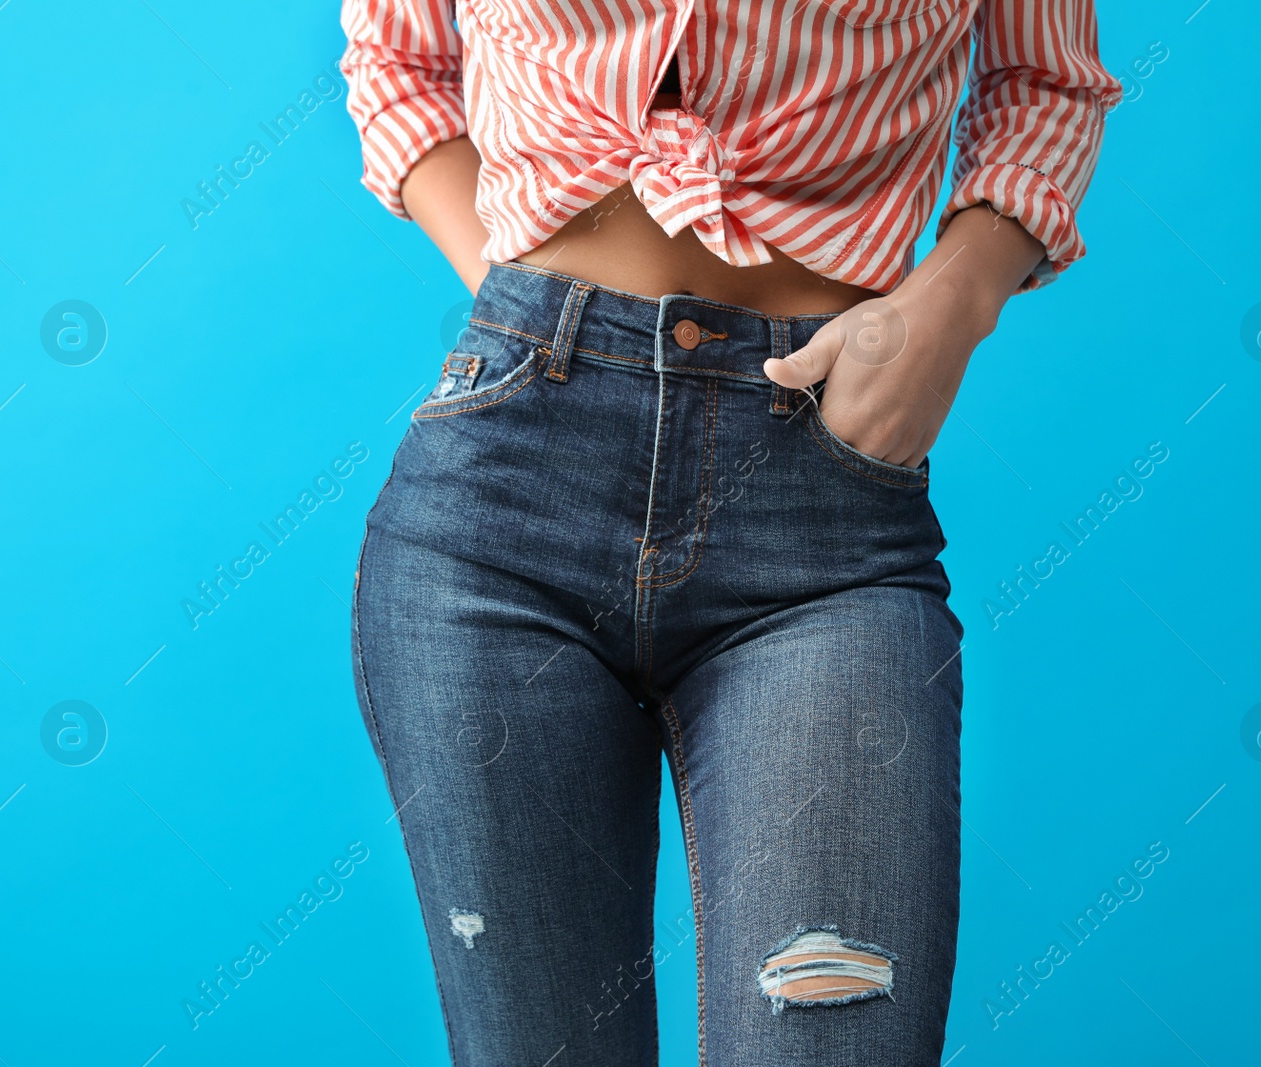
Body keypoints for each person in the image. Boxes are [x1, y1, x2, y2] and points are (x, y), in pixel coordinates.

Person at [340, 1, 1120, 1063]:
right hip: (502, 512)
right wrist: (522, 300)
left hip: (819, 507)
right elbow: (397, 54)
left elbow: (1047, 84)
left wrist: (951, 306)